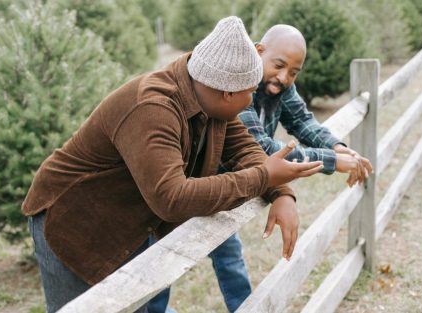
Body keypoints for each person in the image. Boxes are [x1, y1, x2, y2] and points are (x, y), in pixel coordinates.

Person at [22, 17, 324, 313]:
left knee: (134, 305)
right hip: (73, 220)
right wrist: (263, 178)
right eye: (249, 92)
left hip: (130, 222)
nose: (250, 101)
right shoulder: (153, 108)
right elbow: (172, 198)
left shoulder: (211, 96)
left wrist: (281, 192)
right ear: (228, 91)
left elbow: (246, 149)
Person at [148, 25, 373, 313]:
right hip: (197, 184)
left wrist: (337, 146)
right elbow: (262, 147)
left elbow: (302, 121)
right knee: (162, 260)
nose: (284, 77)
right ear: (258, 52)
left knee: (230, 258)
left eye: (293, 72)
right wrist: (332, 161)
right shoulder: (238, 85)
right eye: (278, 66)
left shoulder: (281, 86)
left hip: (229, 191)